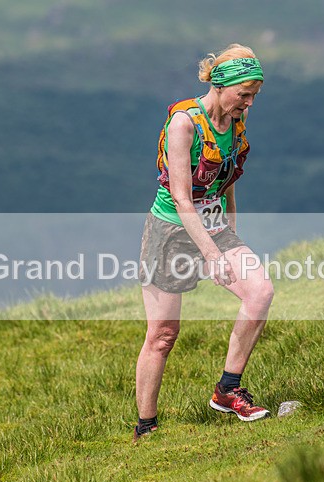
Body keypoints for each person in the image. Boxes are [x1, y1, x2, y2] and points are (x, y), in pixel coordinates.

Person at [134, 44, 274, 442]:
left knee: (260, 292)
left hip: (212, 224)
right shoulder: (184, 123)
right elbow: (181, 198)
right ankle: (146, 427)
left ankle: (228, 389)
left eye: (254, 96)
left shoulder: (236, 121)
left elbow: (226, 182)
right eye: (243, 95)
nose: (248, 104)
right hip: (171, 231)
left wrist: (230, 233)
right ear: (219, 84)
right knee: (162, 334)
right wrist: (212, 256)